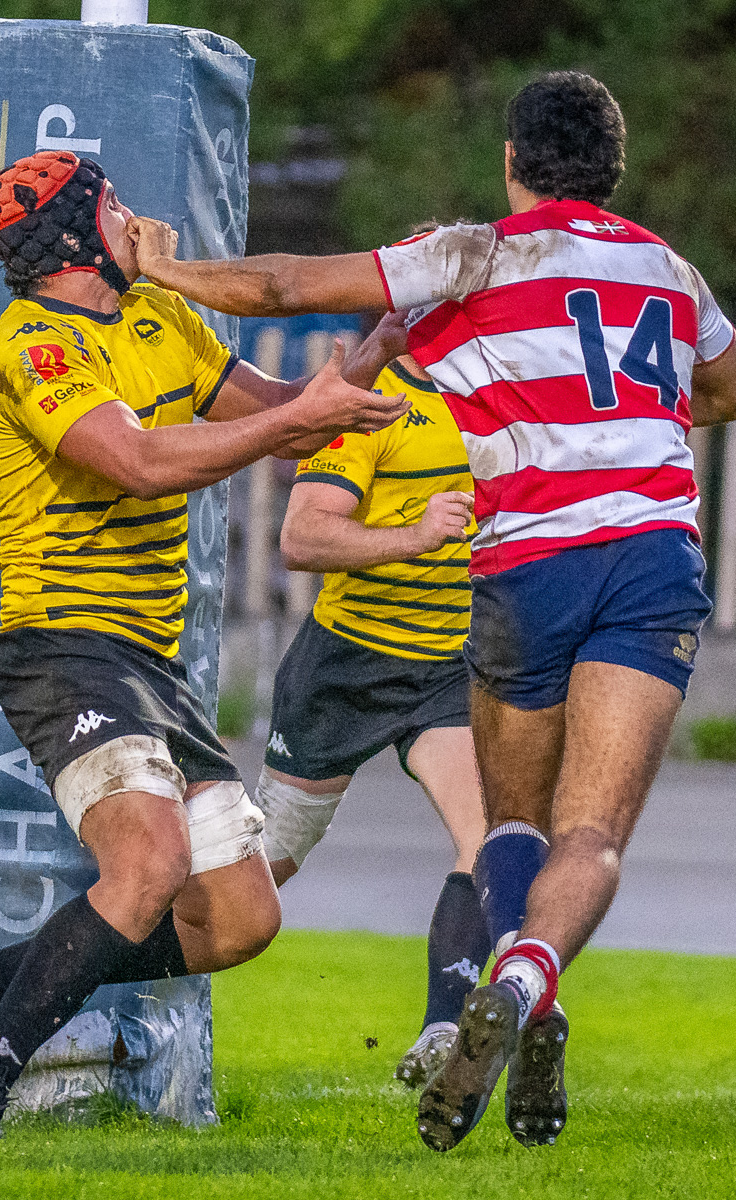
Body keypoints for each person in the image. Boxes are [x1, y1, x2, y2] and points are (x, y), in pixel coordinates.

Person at [129, 70, 736, 1152]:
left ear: (514, 162)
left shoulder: (475, 255)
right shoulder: (666, 267)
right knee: (594, 833)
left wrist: (162, 265)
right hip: (653, 559)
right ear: (615, 169)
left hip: (529, 567)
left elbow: (281, 284)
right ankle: (526, 983)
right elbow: (732, 391)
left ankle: (521, 991)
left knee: (514, 824)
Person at [0, 150, 411, 1141]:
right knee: (149, 861)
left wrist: (379, 345)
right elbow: (132, 461)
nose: (141, 223)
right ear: (80, 235)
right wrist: (302, 415)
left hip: (151, 663)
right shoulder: (29, 344)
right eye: (119, 206)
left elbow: (283, 421)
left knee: (241, 920)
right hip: (64, 647)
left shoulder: (158, 316)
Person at [260, 346, 491, 1091]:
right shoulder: (368, 403)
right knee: (251, 889)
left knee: (489, 840)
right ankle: (89, 957)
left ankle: (444, 1027)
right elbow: (302, 537)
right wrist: (416, 537)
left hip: (449, 671)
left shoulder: (509, 397)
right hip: (345, 669)